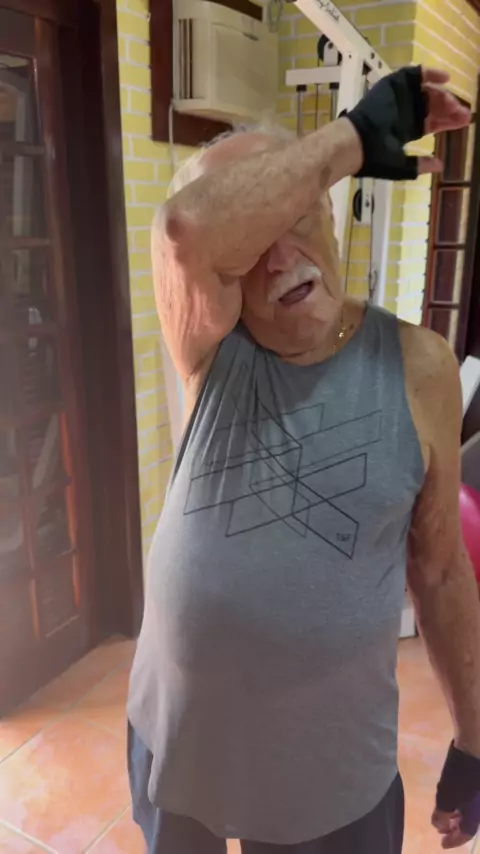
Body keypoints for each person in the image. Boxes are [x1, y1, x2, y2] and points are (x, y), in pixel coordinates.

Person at [127, 66, 480, 853]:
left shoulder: (418, 366)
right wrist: (354, 135)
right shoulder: (212, 346)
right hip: (177, 743)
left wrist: (474, 741)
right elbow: (184, 229)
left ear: (329, 212)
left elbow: (441, 570)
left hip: (331, 776)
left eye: (296, 215)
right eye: (252, 236)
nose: (280, 255)